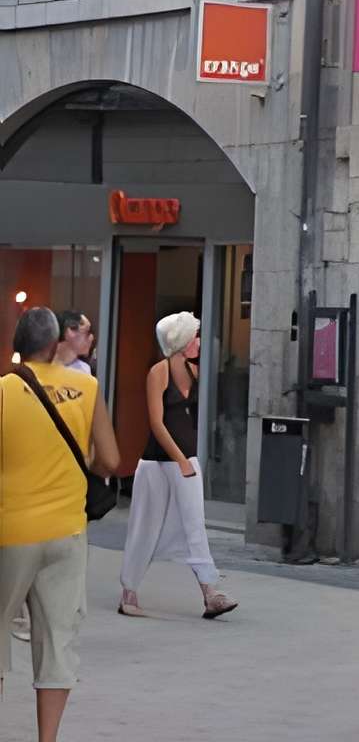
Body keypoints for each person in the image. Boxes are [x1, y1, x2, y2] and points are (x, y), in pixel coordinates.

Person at [0, 303, 120, 742]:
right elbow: (111, 460)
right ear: (54, 346)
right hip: (67, 533)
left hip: (10, 533)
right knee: (57, 643)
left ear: (18, 346)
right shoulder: (84, 389)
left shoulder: (3, 392)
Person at [117, 312, 236, 620]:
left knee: (194, 523)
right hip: (158, 461)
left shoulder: (194, 371)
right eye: (194, 336)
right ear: (180, 341)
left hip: (186, 458)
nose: (199, 341)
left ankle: (210, 592)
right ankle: (128, 591)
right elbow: (156, 422)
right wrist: (181, 460)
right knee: (145, 525)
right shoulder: (158, 372)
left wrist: (189, 459)